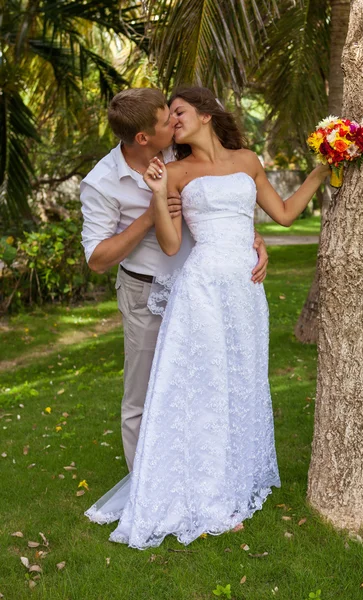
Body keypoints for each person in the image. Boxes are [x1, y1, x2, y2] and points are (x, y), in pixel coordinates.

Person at [85, 86, 330, 549]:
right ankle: (204, 494)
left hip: (245, 291)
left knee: (241, 380)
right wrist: (158, 196)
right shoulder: (172, 172)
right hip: (199, 290)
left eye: (178, 112)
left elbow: (283, 214)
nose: (172, 121)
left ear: (206, 115)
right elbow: (173, 245)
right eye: (168, 116)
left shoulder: (248, 160)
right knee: (205, 386)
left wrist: (322, 170)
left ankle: (235, 475)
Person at [80, 88, 268, 472]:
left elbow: (218, 196)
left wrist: (251, 239)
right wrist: (150, 215)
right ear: (143, 138)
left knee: (203, 382)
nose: (175, 122)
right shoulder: (100, 183)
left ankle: (195, 473)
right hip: (145, 289)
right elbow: (97, 259)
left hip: (202, 288)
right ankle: (144, 485)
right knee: (144, 393)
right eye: (168, 121)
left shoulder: (178, 151)